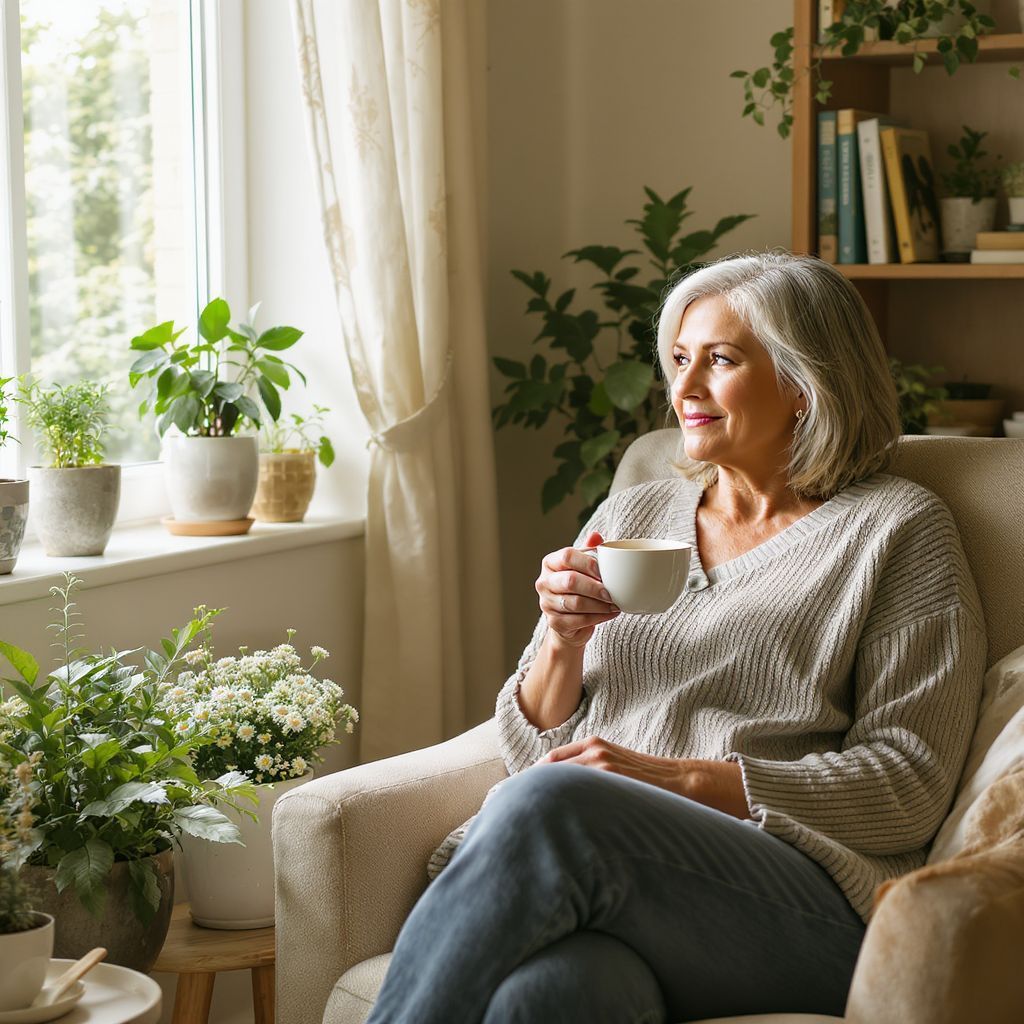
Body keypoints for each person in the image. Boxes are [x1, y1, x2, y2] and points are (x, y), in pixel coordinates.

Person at [365, 252, 986, 1023]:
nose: (684, 390)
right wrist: (562, 641)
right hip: (624, 884)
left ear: (805, 383)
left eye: (719, 361)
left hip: (800, 901)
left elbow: (909, 788)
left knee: (561, 804)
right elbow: (532, 754)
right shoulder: (631, 517)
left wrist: (684, 781)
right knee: (554, 995)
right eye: (680, 359)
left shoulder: (897, 529)